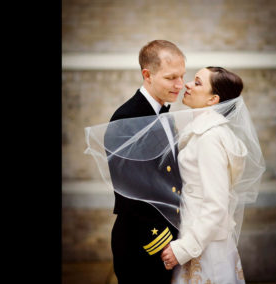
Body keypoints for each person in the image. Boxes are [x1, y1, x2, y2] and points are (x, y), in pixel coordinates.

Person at [160, 67, 259, 283]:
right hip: (203, 239)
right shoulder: (205, 133)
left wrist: (183, 248)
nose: (187, 84)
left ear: (213, 99)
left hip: (205, 249)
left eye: (197, 82)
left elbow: (216, 205)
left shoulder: (209, 139)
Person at [105, 40, 186, 284]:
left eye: (182, 76)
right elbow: (130, 190)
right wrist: (162, 242)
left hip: (168, 236)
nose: (180, 85)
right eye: (171, 77)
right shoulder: (126, 118)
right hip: (143, 242)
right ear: (147, 75)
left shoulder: (163, 113)